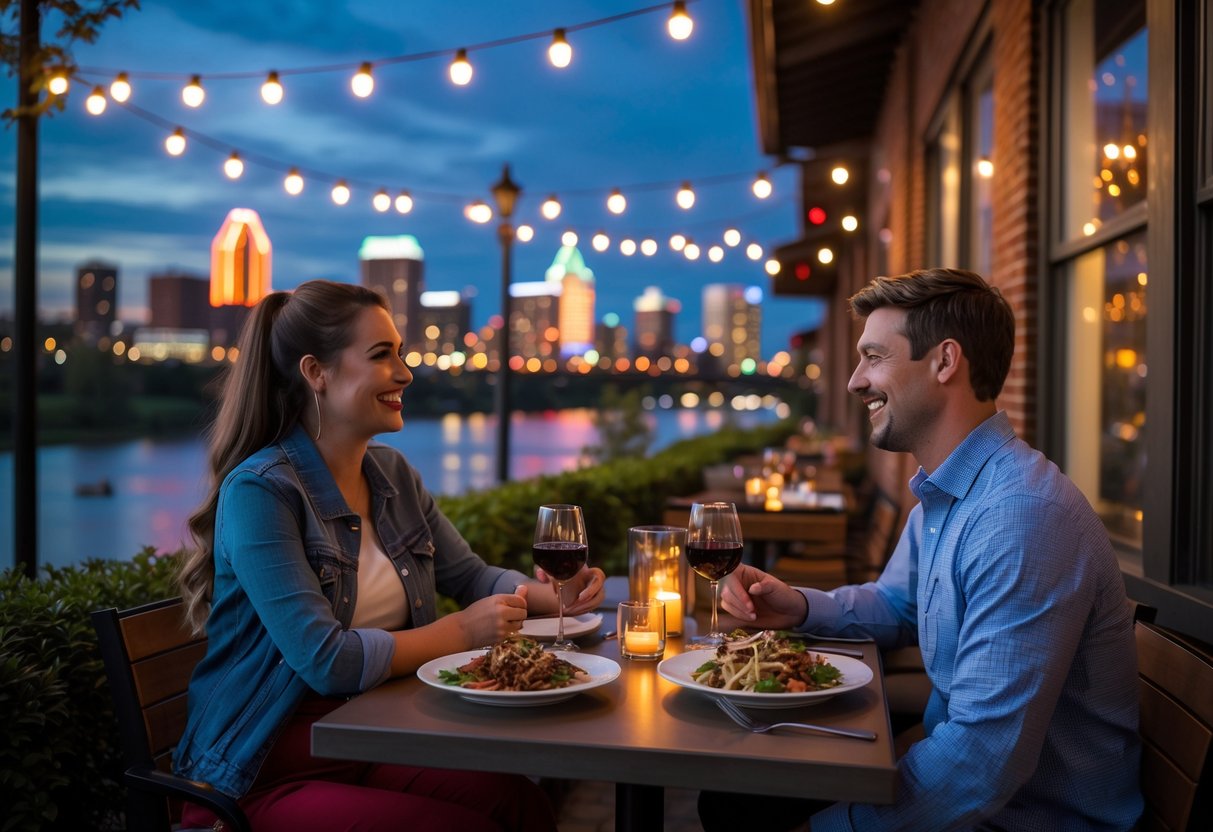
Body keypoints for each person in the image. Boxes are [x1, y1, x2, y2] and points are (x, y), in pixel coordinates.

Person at [704, 268, 1142, 831]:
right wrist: (802, 608)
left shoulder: (1021, 517)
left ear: (945, 362)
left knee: (742, 805)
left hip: (1026, 817)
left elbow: (978, 766)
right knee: (731, 797)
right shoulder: (950, 492)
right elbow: (898, 605)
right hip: (976, 792)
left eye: (874, 356)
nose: (854, 381)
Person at [174, 279, 604, 831]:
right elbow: (327, 661)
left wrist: (554, 595)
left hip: (377, 736)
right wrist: (463, 632)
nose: (405, 372)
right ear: (316, 373)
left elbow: (470, 576)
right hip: (264, 772)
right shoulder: (260, 492)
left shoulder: (393, 475)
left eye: (400, 353)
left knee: (519, 804)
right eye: (382, 355)